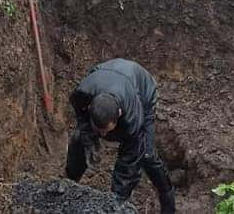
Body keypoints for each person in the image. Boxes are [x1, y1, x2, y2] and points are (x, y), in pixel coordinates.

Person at [66, 59, 175, 214]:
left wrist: (116, 200)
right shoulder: (81, 94)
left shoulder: (133, 118)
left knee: (147, 154)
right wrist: (89, 139)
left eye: (107, 131)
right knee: (79, 140)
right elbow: (82, 118)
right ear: (90, 107)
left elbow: (129, 161)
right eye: (100, 131)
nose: (103, 135)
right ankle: (69, 183)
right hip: (106, 77)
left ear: (119, 114)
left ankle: (168, 200)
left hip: (143, 90)